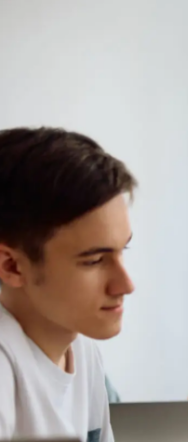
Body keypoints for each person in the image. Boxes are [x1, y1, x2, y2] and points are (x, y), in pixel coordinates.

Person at [0, 127, 137, 441]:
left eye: (122, 250)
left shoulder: (81, 346)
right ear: (11, 265)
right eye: (94, 260)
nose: (125, 285)